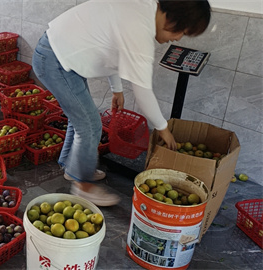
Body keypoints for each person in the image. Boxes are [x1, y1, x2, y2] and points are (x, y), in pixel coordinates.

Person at [32, 0, 211, 206]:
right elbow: (143, 91)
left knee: (81, 117)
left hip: (60, 54)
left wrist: (116, 89)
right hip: (54, 59)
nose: (178, 38)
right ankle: (83, 187)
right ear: (172, 17)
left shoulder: (142, 9)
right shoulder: (140, 27)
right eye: (180, 31)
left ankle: (74, 170)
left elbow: (113, 50)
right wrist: (163, 128)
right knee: (90, 125)